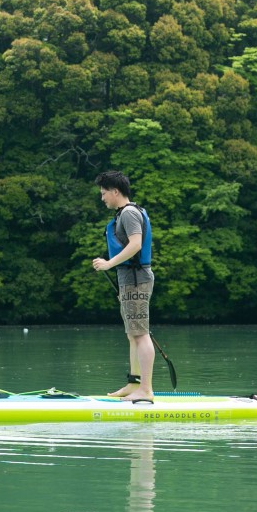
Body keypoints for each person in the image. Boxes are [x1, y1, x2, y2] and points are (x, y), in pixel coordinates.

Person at [92, 170, 155, 402]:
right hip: (130, 280)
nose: (102, 198)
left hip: (137, 279)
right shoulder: (125, 214)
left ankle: (146, 390)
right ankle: (134, 384)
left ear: (115, 191)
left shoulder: (128, 213)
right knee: (133, 334)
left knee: (140, 334)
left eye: (104, 193)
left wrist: (109, 263)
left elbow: (136, 244)